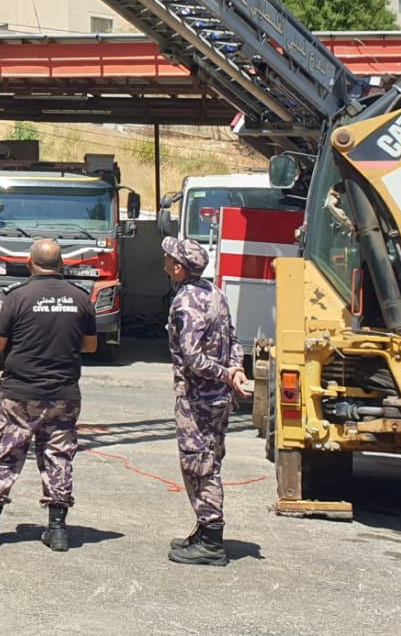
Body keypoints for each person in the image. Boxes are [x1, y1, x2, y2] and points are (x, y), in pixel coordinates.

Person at [0, 238, 95, 552]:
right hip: (64, 394)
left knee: (3, 454)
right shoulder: (81, 298)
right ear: (62, 264)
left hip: (19, 394)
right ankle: (58, 529)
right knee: (58, 457)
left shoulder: (16, 297)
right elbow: (90, 346)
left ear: (29, 264)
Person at [161, 236, 249, 566]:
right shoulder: (215, 293)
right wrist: (236, 369)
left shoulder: (185, 303)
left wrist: (227, 374)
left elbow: (193, 359)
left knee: (199, 466)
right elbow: (235, 339)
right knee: (208, 461)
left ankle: (212, 541)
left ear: (179, 268)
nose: (165, 261)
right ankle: (204, 528)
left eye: (169, 258)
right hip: (218, 399)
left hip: (198, 400)